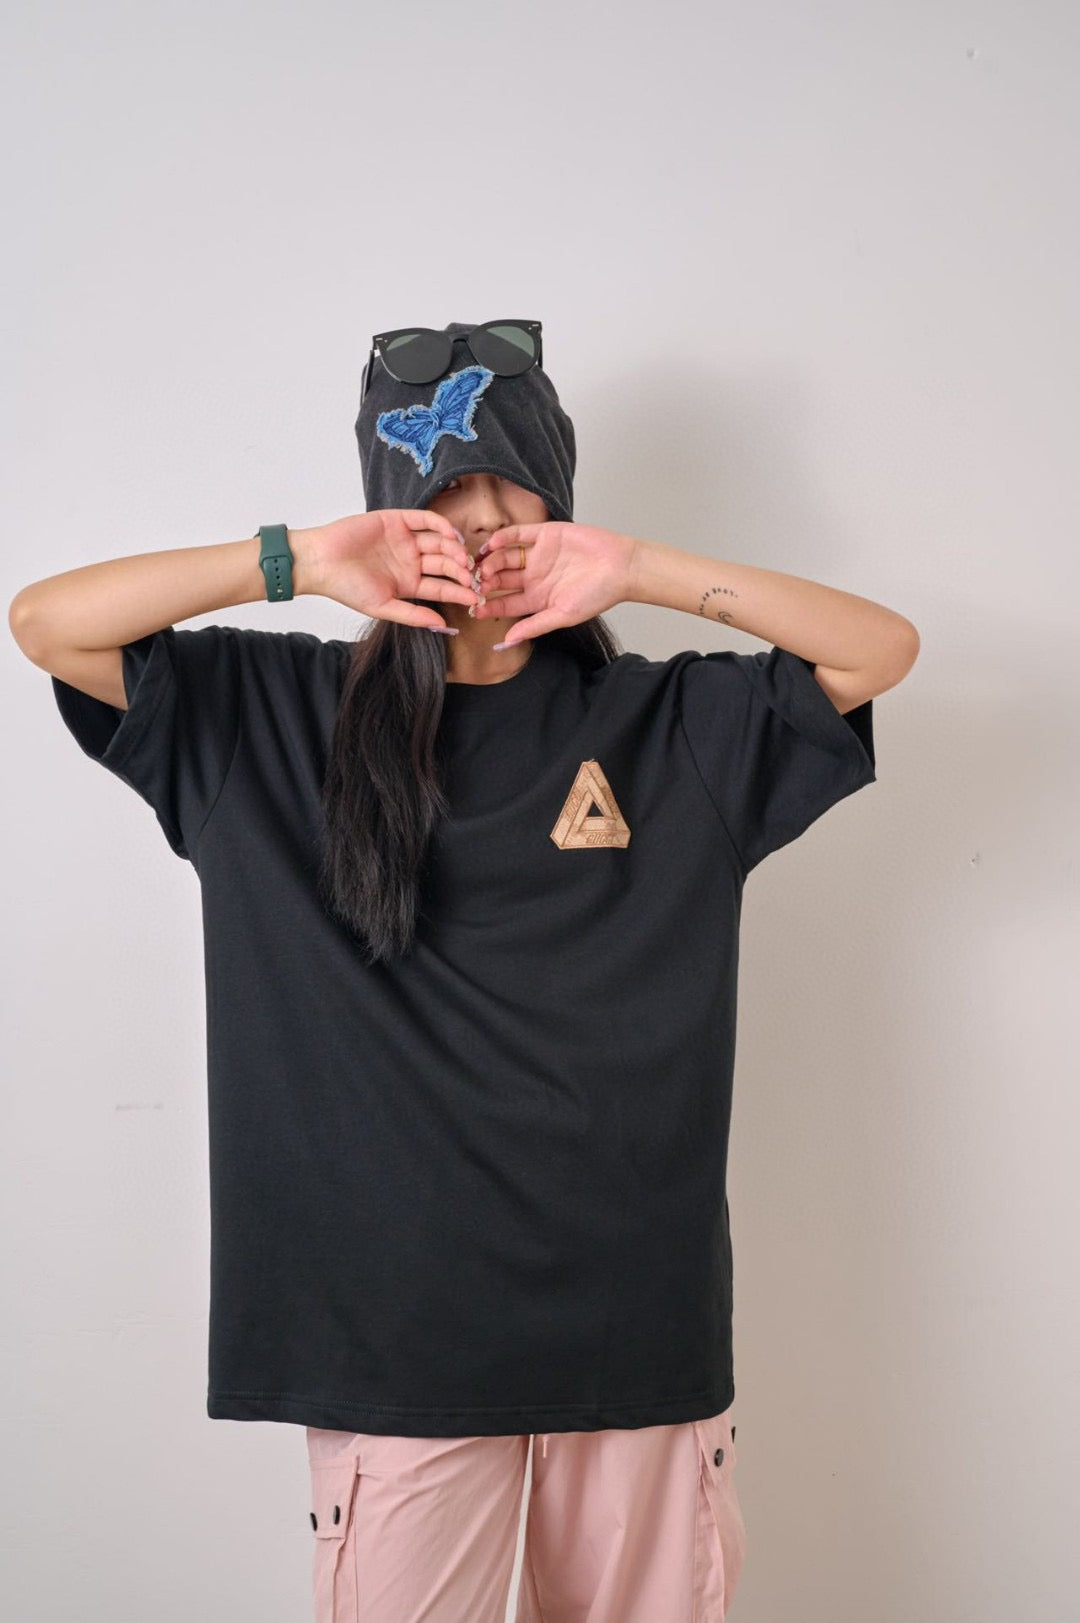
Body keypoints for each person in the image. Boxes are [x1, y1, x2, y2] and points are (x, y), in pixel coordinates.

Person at [8, 319, 919, 1622]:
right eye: (441, 495)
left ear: (562, 507)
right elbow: (46, 624)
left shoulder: (672, 727)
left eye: (510, 490)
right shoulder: (266, 715)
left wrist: (641, 569)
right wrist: (299, 559)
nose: (481, 525)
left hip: (632, 1332)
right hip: (391, 1343)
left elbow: (878, 651)